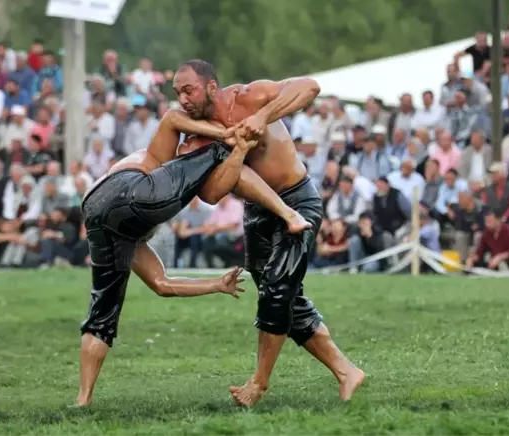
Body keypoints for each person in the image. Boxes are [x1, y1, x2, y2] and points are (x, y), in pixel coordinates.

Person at [76, 108, 311, 407]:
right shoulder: (164, 155)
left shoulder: (127, 236)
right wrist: (226, 136)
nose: (188, 149)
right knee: (219, 153)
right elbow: (172, 119)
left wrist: (217, 284)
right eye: (190, 143)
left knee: (102, 317)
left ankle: (83, 401)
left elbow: (162, 284)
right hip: (127, 188)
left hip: (95, 213)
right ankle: (288, 212)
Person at [171, 59, 364, 407]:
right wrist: (238, 149)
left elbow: (309, 86)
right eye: (177, 93)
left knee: (277, 291)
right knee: (286, 298)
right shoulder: (197, 137)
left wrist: (263, 116)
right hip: (257, 214)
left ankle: (258, 384)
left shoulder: (248, 96)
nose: (183, 99)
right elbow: (212, 194)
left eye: (189, 90)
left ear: (211, 87)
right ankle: (346, 370)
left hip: (298, 200)